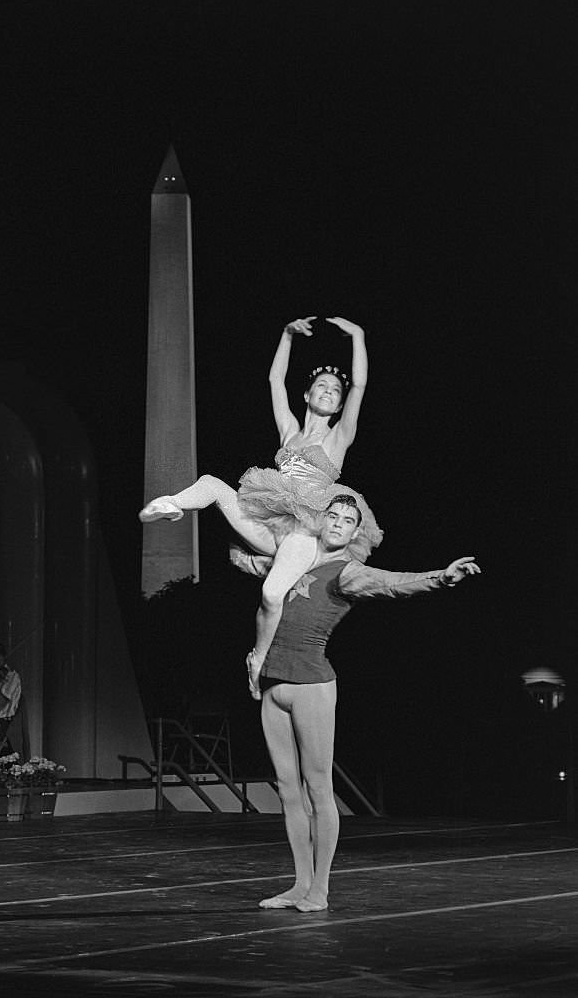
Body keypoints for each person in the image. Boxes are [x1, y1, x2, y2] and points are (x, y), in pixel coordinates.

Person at [231, 495, 481, 912]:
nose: (338, 524)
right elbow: (254, 563)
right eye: (333, 516)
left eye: (348, 521)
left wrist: (441, 577)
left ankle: (320, 890)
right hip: (273, 687)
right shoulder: (295, 558)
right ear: (321, 520)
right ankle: (299, 884)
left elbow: (391, 584)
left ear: (354, 533)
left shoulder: (347, 573)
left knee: (318, 789)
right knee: (288, 791)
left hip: (312, 685)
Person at [139, 316, 382, 683]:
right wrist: (285, 335)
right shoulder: (290, 433)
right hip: (269, 524)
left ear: (338, 405)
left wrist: (359, 335)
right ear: (308, 395)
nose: (330, 392)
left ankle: (257, 660)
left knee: (271, 596)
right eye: (322, 385)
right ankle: (172, 505)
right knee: (214, 485)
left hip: (303, 532)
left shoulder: (339, 437)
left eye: (335, 390)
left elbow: (360, 385)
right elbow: (274, 381)